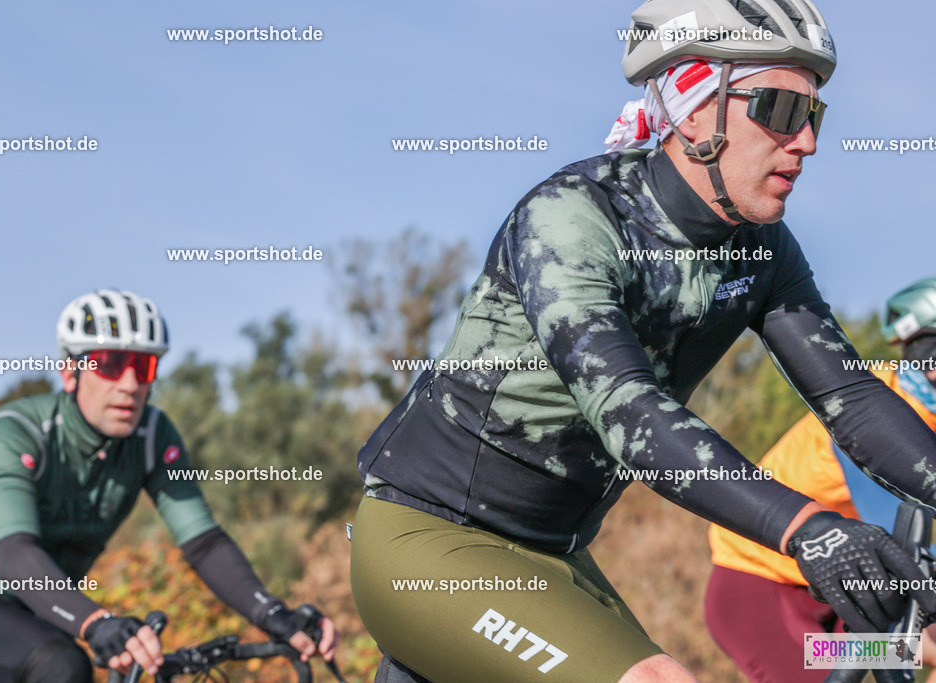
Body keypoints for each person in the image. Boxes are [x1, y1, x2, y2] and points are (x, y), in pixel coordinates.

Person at [349, 1, 936, 681]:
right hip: (430, 533)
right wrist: (807, 527)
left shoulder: (763, 252)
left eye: (814, 115)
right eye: (778, 109)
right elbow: (631, 413)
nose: (804, 141)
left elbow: (853, 396)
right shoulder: (572, 219)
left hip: (557, 555)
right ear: (694, 111)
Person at [0, 289, 338, 682]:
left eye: (144, 366)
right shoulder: (19, 432)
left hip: (32, 616)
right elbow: (14, 553)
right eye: (111, 364)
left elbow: (204, 543)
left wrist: (272, 613)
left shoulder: (152, 437)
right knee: (60, 665)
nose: (130, 384)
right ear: (70, 372)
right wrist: (94, 622)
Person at [705, 277, 936, 682]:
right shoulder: (877, 403)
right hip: (764, 585)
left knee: (918, 656)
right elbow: (893, 525)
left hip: (846, 586)